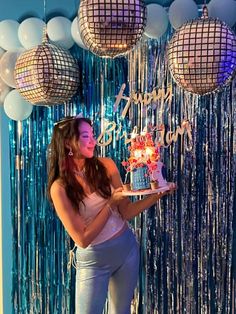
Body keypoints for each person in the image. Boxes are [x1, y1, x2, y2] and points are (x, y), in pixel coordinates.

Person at [47, 116, 175, 314]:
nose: (93, 141)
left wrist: (158, 194)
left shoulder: (106, 165)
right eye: (85, 136)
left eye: (92, 135)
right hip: (93, 261)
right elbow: (82, 239)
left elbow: (127, 212)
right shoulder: (60, 187)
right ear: (67, 143)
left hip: (126, 250)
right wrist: (110, 204)